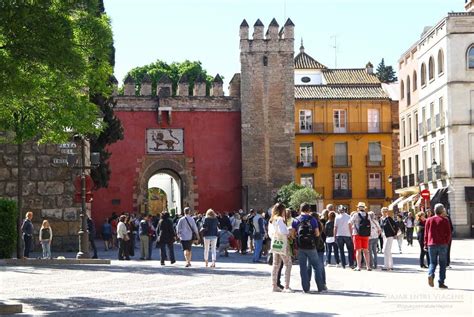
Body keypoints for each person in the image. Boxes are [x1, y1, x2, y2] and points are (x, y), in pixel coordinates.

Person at [292, 203, 325, 293]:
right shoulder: (312, 219)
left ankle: (306, 288)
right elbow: (317, 233)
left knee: (303, 267)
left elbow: (293, 235)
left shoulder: (296, 220)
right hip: (311, 246)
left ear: (300, 209)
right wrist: (315, 241)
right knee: (316, 266)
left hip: (301, 247)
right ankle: (320, 287)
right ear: (309, 210)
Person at [425, 203, 452, 289]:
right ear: (442, 210)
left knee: (432, 263)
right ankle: (441, 282)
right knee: (443, 264)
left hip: (431, 244)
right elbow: (449, 233)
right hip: (442, 244)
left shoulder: (429, 220)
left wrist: (425, 244)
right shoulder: (445, 220)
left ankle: (430, 274)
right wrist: (447, 242)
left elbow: (426, 233)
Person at [269, 203, 292, 292]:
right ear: (282, 210)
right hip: (282, 243)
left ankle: (274, 286)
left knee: (275, 265)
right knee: (288, 264)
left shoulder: (271, 220)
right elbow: (283, 231)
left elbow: (270, 233)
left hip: (274, 242)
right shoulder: (279, 219)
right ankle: (286, 286)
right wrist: (288, 230)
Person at [350, 202, 371, 271]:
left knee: (358, 251)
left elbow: (349, 222)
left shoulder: (355, 215)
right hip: (366, 235)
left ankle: (358, 266)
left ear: (358, 208)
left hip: (357, 234)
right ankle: (368, 266)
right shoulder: (368, 215)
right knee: (366, 251)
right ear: (364, 208)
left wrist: (351, 232)